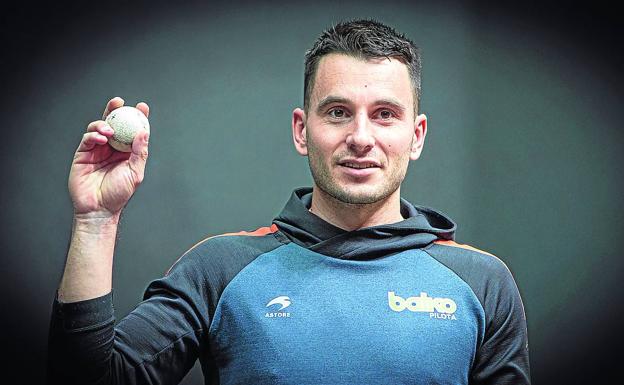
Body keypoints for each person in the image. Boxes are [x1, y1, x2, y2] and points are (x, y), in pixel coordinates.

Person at [48, 19, 531, 385]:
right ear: (303, 130)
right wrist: (96, 220)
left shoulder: (482, 283)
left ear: (417, 135)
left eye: (385, 115)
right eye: (338, 113)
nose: (361, 138)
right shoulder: (219, 270)